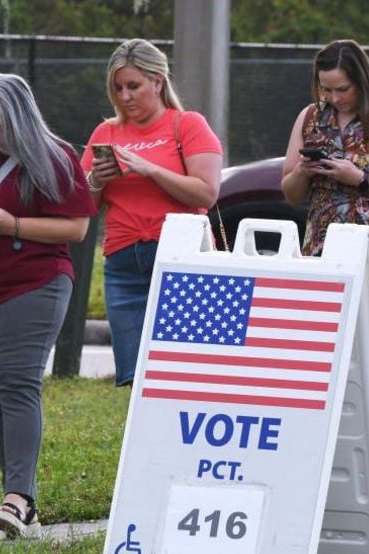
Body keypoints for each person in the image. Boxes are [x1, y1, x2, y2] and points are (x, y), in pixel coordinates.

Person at [0, 73, 96, 540]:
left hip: (34, 282)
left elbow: (76, 229)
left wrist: (13, 224)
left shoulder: (57, 157)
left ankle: (17, 498)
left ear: (18, 116)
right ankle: (20, 504)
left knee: (18, 386)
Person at [282, 40, 369, 470]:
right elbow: (288, 192)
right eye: (325, 89)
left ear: (360, 80)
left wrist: (359, 177)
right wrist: (304, 172)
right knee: (325, 351)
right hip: (326, 248)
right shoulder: (310, 118)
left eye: (340, 89)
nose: (332, 98)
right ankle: (327, 458)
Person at [81, 38, 222, 388]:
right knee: (132, 377)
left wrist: (151, 170)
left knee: (185, 373)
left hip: (180, 256)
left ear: (157, 82)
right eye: (118, 88)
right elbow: (83, 205)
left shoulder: (186, 125)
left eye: (134, 86)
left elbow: (206, 192)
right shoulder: (106, 132)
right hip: (123, 262)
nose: (125, 96)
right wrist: (95, 180)